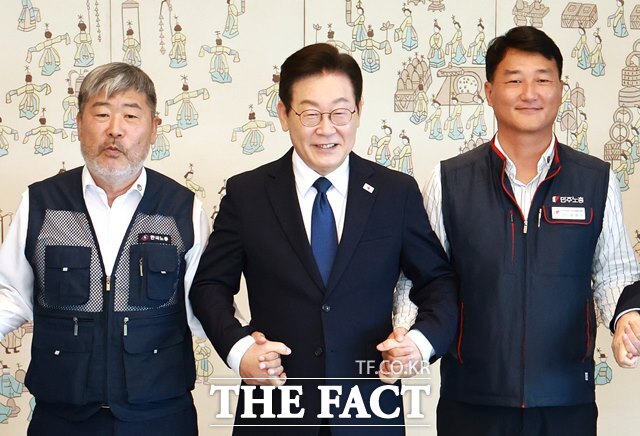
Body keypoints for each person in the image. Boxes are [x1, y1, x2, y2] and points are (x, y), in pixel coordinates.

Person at [190, 42, 458, 435]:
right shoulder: (248, 194)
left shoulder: (395, 193)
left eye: (339, 113)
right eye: (311, 113)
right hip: (275, 412)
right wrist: (240, 350)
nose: (326, 129)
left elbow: (439, 282)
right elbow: (210, 286)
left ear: (358, 111)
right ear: (284, 114)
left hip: (369, 414)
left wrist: (419, 344)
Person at [418, 26, 640, 435]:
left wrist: (626, 317)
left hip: (566, 400)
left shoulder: (596, 180)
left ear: (561, 90)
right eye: (514, 80)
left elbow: (615, 273)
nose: (530, 93)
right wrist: (408, 338)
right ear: (489, 92)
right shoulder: (448, 180)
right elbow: (424, 277)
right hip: (472, 399)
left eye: (542, 79)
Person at [0, 62, 210, 435]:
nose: (115, 129)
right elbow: (11, 296)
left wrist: (246, 348)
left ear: (153, 128)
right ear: (79, 123)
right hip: (62, 417)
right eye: (101, 114)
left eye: (131, 115)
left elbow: (205, 303)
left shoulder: (182, 208)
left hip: (160, 416)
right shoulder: (41, 203)